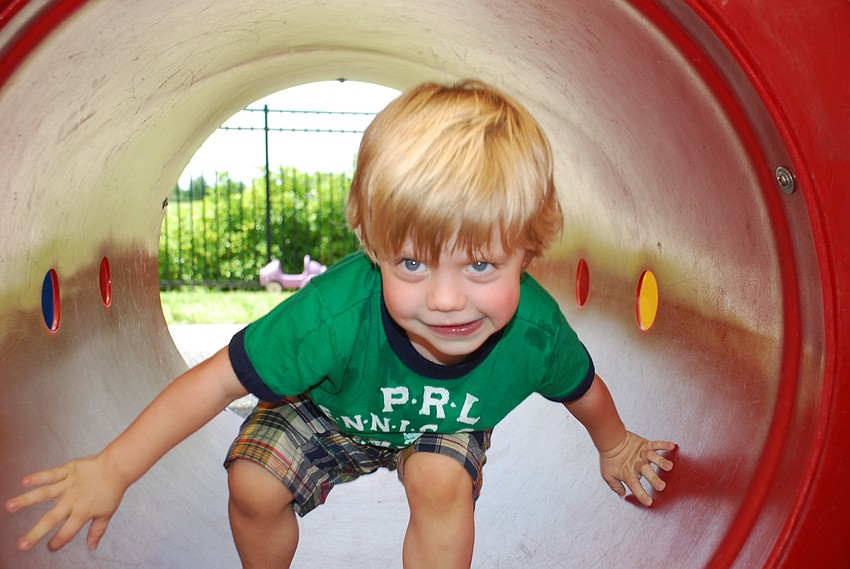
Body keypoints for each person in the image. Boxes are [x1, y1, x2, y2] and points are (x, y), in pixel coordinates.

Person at [6, 79, 675, 568]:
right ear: (373, 246)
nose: (446, 299)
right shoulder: (332, 314)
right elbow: (214, 383)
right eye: (411, 263)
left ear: (528, 252)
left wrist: (616, 446)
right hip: (327, 405)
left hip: (444, 421)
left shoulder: (534, 331)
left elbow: (582, 389)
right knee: (253, 482)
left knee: (442, 483)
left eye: (480, 264)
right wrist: (114, 469)